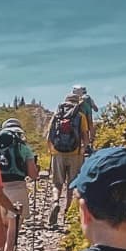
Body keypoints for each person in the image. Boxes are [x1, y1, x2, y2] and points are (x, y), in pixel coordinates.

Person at [0, 117, 39, 251]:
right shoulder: (24, 148)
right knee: (12, 234)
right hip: (17, 190)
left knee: (1, 228)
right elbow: (33, 175)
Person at [45, 96, 89, 228]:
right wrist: (83, 149)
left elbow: (49, 135)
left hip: (58, 153)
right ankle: (67, 214)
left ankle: (55, 202)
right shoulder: (80, 115)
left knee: (57, 183)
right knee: (72, 184)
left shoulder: (57, 115)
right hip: (75, 154)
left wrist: (51, 150)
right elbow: (85, 137)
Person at [72, 84, 99, 149]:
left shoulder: (73, 100)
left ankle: (82, 145)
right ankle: (90, 143)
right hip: (88, 118)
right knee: (89, 128)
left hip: (79, 119)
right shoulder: (88, 98)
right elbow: (96, 109)